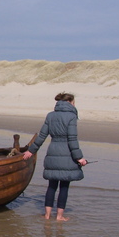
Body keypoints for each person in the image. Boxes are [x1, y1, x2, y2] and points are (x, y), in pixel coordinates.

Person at [23, 92, 87, 221]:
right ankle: (59, 216)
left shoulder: (50, 115)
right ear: (70, 102)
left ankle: (47, 215)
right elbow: (72, 139)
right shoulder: (71, 116)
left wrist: (31, 150)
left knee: (52, 186)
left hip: (52, 151)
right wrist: (79, 158)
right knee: (64, 186)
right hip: (67, 154)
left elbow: (42, 135)